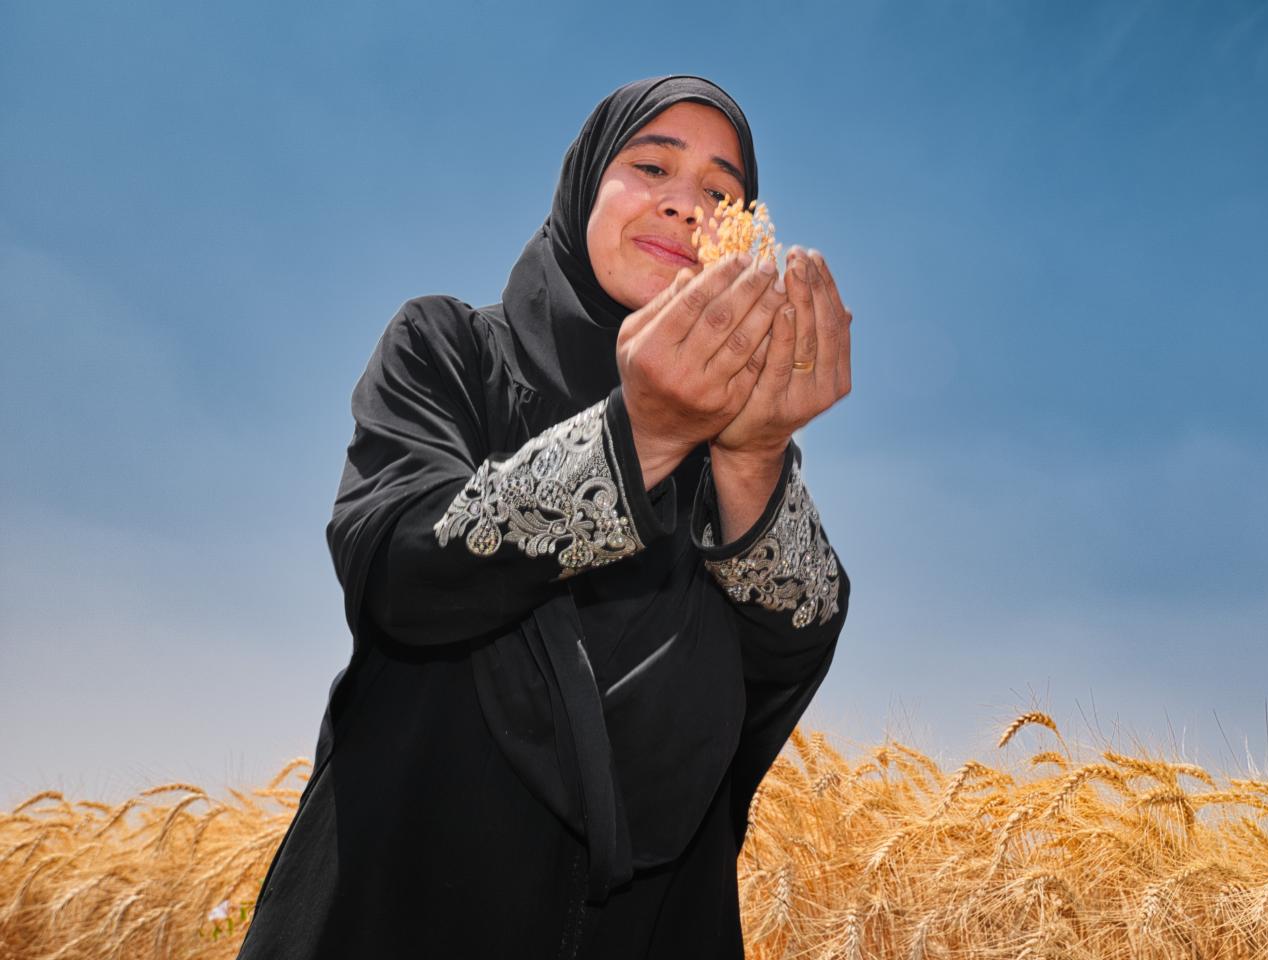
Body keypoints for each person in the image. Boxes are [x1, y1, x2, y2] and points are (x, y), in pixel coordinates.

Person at [236, 75, 853, 959]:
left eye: (722, 194)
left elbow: (788, 660)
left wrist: (754, 457)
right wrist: (639, 436)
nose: (688, 206)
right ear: (582, 188)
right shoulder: (449, 349)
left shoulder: (739, 442)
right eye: (651, 167)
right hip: (401, 903)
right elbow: (400, 567)